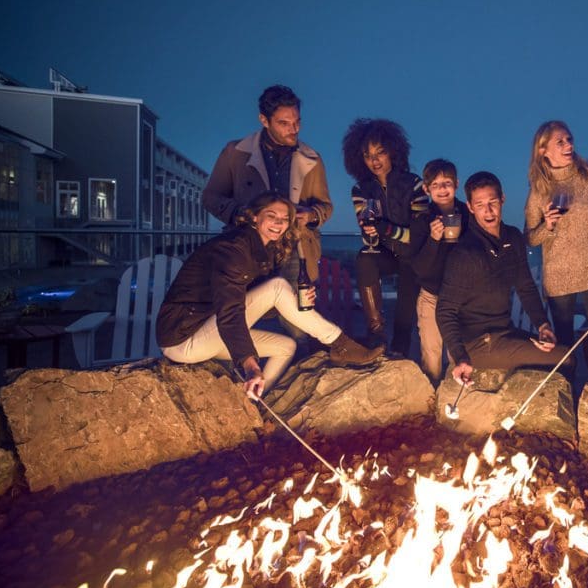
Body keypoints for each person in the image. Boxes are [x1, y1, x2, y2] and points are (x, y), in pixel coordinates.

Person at [158, 192, 382, 399]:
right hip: (184, 336)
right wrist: (249, 364)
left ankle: (255, 403)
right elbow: (231, 311)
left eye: (284, 219)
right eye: (271, 216)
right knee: (277, 286)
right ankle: (340, 344)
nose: (278, 223)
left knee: (285, 347)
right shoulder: (233, 249)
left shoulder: (264, 251)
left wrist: (291, 301)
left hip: (210, 331)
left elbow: (256, 306)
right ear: (254, 217)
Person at [437, 171, 572, 386]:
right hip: (477, 343)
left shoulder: (513, 237)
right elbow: (445, 311)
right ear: (470, 208)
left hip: (504, 331)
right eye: (480, 204)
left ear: (502, 199)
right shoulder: (465, 253)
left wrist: (543, 324)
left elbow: (525, 286)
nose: (488, 211)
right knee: (565, 359)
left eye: (492, 202)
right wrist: (460, 357)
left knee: (562, 351)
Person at [202, 85, 332, 288]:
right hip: (247, 246)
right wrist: (240, 213)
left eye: (297, 122)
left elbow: (325, 206)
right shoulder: (235, 153)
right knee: (243, 312)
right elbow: (210, 197)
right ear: (264, 120)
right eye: (284, 123)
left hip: (295, 249)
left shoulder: (312, 159)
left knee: (296, 315)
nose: (294, 129)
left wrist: (312, 215)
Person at [524, 120, 588, 374]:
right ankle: (564, 401)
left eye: (569, 139)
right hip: (560, 276)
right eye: (560, 141)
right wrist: (548, 225)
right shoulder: (540, 189)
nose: (568, 144)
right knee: (565, 351)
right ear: (543, 150)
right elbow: (530, 238)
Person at [341, 118, 427, 354]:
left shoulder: (415, 185)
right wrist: (370, 233)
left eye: (380, 152)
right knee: (365, 257)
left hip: (414, 256)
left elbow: (419, 237)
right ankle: (376, 333)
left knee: (405, 306)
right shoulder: (360, 190)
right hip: (387, 253)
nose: (374, 161)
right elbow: (370, 238)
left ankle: (401, 352)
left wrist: (385, 228)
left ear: (393, 151)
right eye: (368, 155)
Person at [407, 158, 469, 382]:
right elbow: (420, 268)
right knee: (431, 357)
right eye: (435, 185)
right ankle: (431, 404)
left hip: (460, 298)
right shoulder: (422, 220)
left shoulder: (468, 214)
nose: (442, 189)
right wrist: (433, 239)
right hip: (431, 295)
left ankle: (454, 404)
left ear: (456, 184)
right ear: (426, 189)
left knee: (459, 356)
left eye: (447, 183)